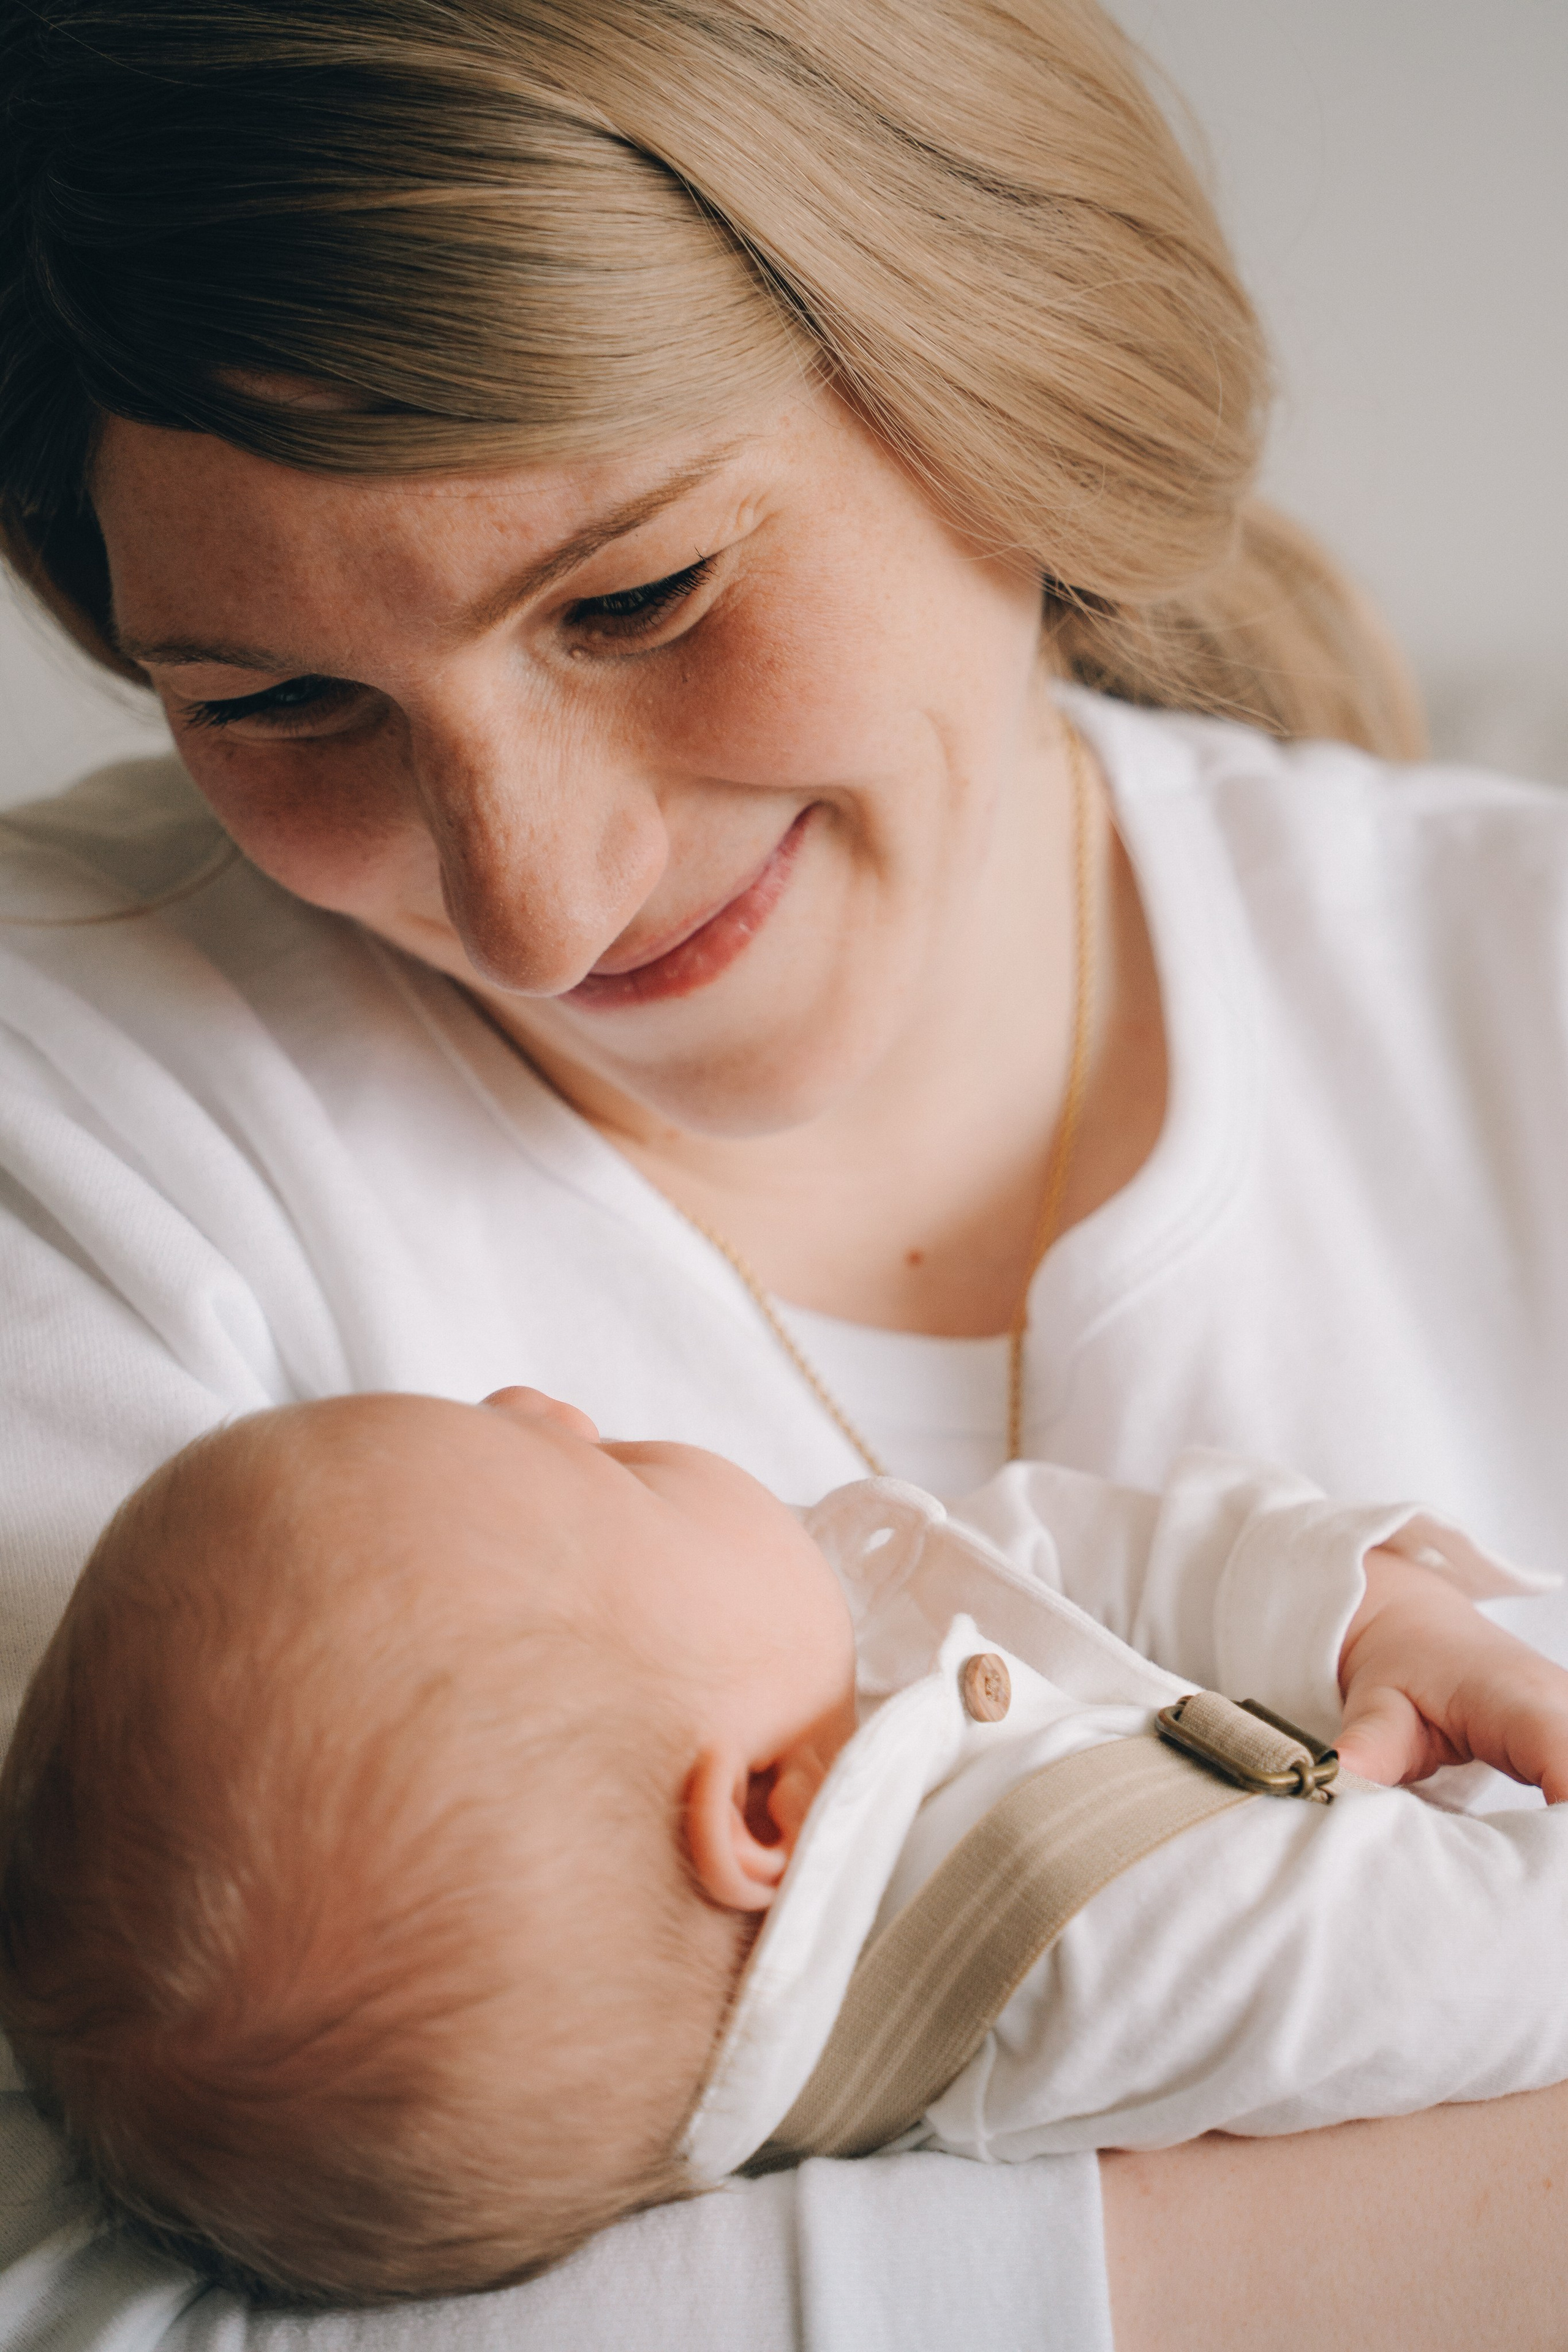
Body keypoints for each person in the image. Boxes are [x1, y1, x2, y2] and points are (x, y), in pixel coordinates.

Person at [4, 1, 1568, 2345]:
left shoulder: (1513, 988)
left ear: (994, 366)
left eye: (635, 599)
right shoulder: (68, 1101)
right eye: (281, 704)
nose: (534, 903)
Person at [7, 1384, 1568, 2308]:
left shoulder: (830, 1766)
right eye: (598, 1466)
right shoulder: (1080, 1940)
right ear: (759, 1811)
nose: (542, 1400)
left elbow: (1045, 1562)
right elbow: (1484, 1964)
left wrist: (1373, 1614)